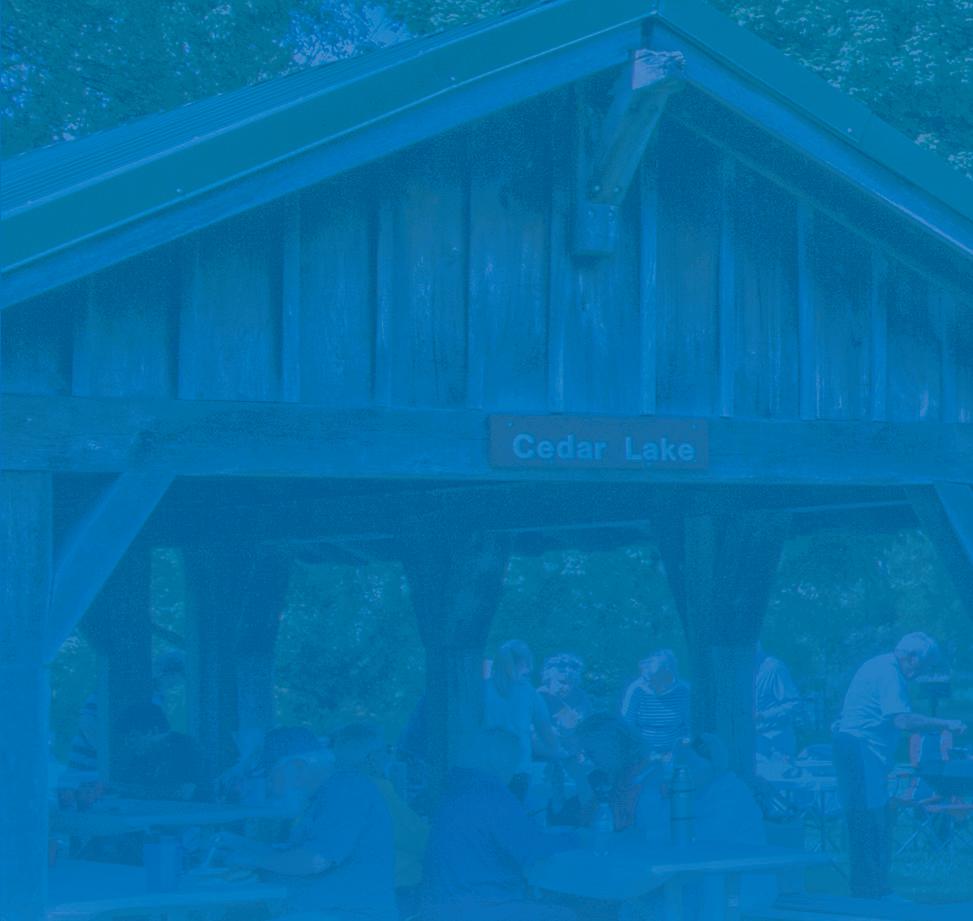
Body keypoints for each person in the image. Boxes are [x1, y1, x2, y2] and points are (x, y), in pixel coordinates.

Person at [833, 632, 967, 899]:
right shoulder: (889, 672)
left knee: (874, 819)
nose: (923, 673)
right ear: (912, 657)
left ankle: (873, 890)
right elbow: (902, 721)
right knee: (868, 821)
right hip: (861, 753)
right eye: (925, 666)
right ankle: (871, 893)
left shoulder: (880, 665)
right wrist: (946, 724)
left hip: (863, 755)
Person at [219, 722, 397, 921]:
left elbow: (314, 860)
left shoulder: (346, 790)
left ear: (297, 766)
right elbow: (298, 853)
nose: (270, 789)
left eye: (270, 777)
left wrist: (255, 859)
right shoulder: (323, 796)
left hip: (346, 914)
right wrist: (240, 845)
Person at [421, 727, 577, 921]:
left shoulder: (456, 790)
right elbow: (532, 848)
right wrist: (577, 839)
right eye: (514, 758)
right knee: (570, 915)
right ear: (496, 758)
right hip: (478, 908)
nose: (515, 768)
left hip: (440, 907)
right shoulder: (491, 794)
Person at [484, 640, 560, 797]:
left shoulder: (481, 690)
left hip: (484, 767)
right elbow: (546, 734)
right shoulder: (529, 694)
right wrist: (560, 753)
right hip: (517, 768)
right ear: (524, 663)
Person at [620, 649, 691, 756]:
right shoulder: (636, 689)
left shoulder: (684, 691)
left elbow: (691, 727)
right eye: (646, 678)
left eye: (655, 678)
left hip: (676, 752)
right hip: (642, 752)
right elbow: (626, 725)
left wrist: (679, 750)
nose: (648, 683)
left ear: (668, 674)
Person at [536, 653, 592, 756]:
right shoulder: (537, 698)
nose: (567, 688)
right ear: (548, 679)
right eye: (562, 682)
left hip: (573, 755)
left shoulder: (580, 697)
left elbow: (586, 729)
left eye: (572, 683)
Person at [754, 645, 803, 759]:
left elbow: (794, 704)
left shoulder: (774, 668)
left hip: (777, 742)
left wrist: (762, 716)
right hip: (755, 741)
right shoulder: (743, 670)